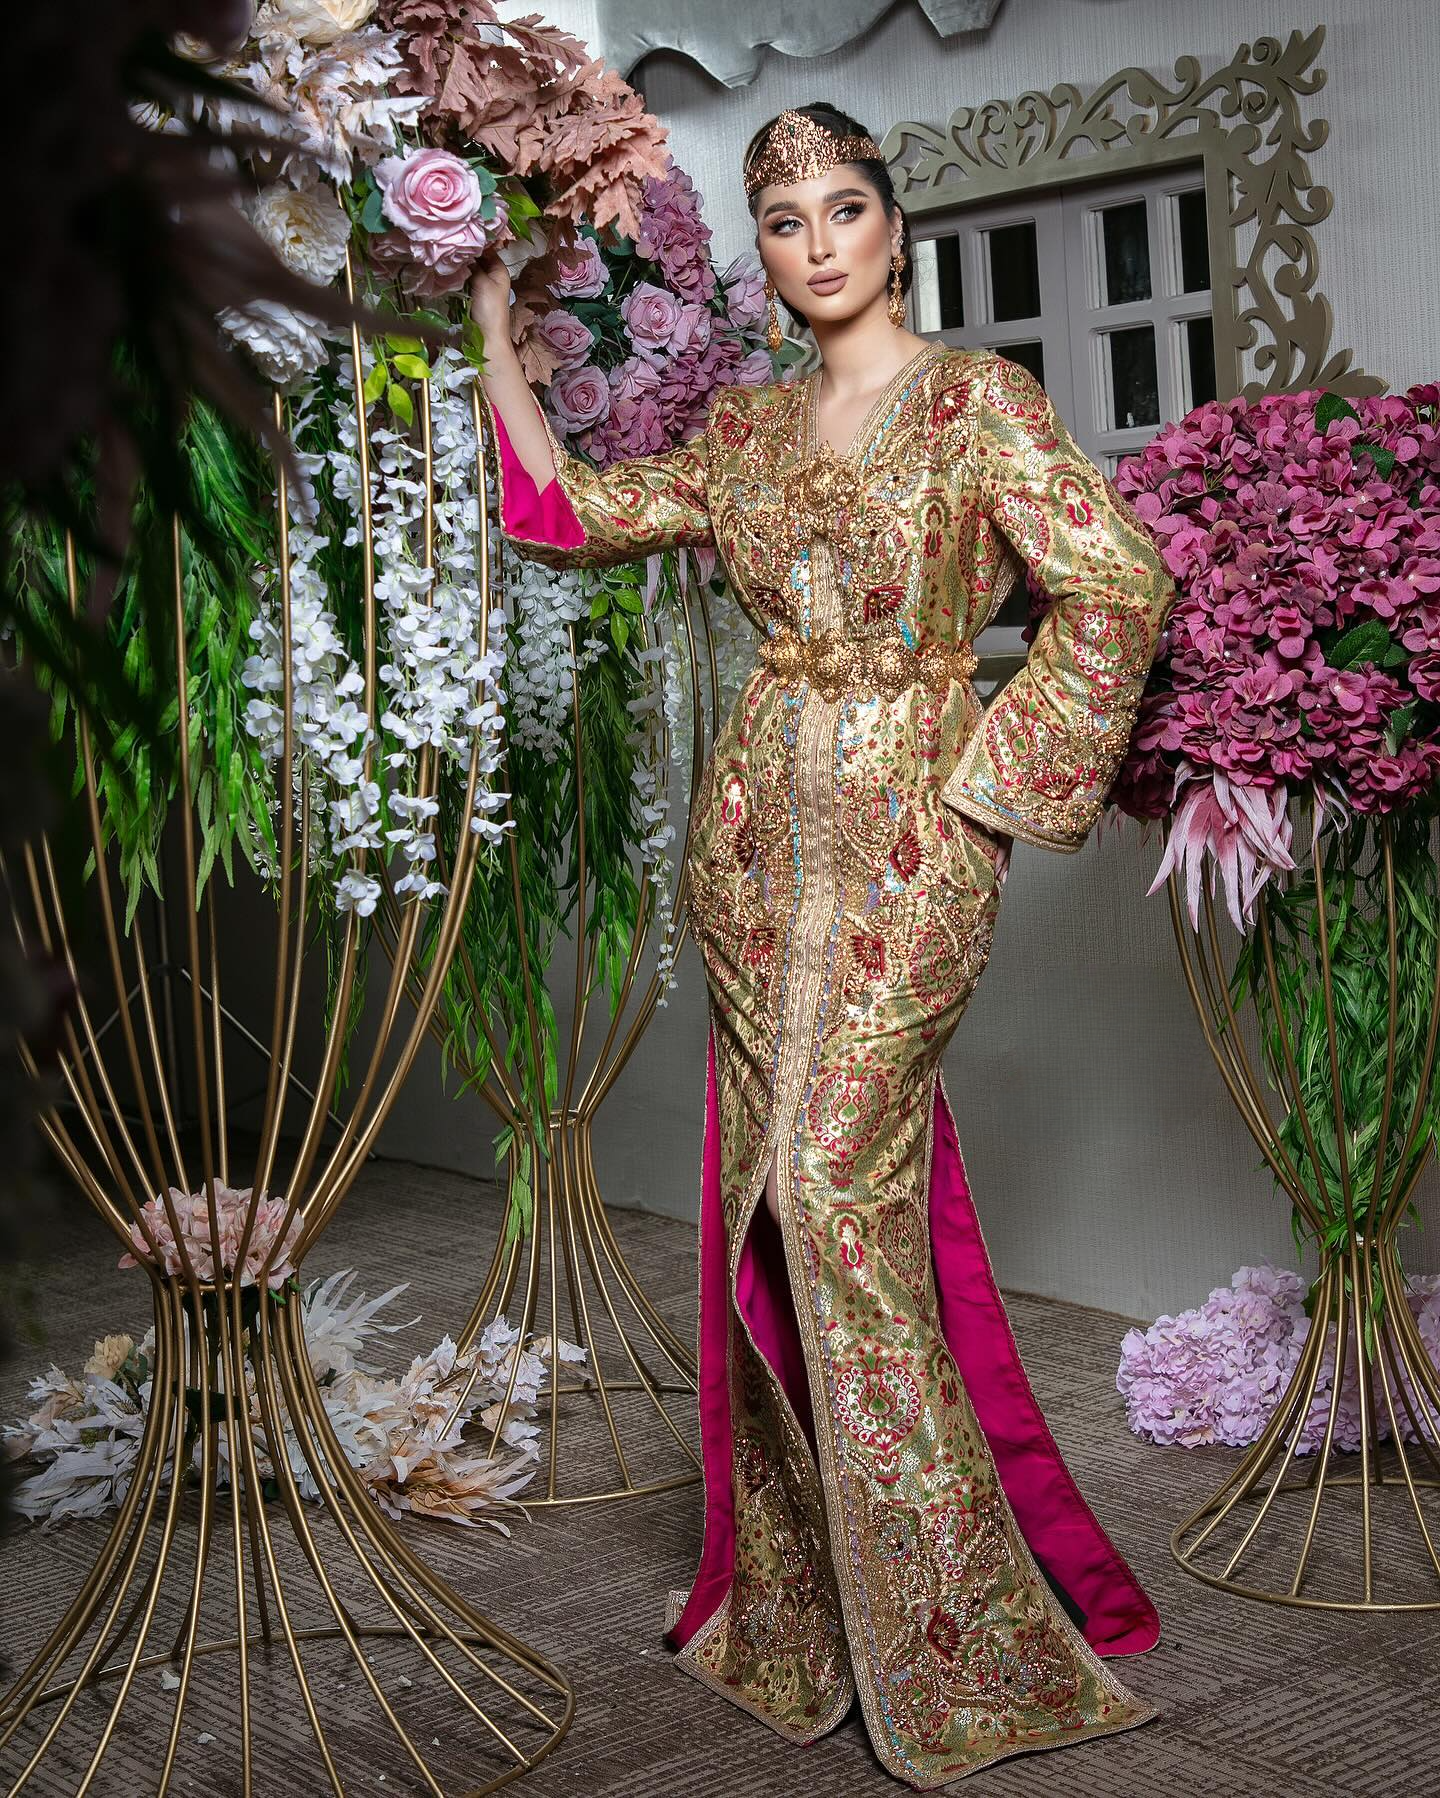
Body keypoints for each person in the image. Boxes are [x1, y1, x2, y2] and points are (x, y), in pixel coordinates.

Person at [468, 99, 1173, 1790]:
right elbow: (562, 513)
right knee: (779, 1204)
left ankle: (961, 1627)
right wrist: (494, 327)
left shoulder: (976, 402)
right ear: (769, 259)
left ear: (895, 227)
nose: (816, 242)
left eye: (844, 206)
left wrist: (997, 792)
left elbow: (1118, 583)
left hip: (916, 833)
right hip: (757, 845)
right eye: (783, 221)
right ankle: (808, 1606)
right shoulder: (746, 432)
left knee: (840, 1193)